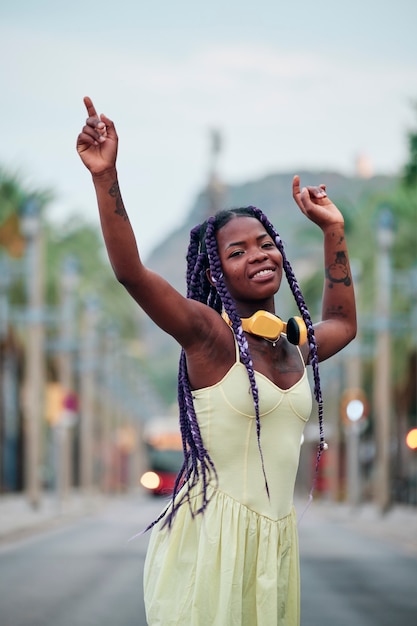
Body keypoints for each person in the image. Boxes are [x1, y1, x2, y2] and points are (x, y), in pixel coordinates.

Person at [76, 96, 357, 626]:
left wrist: (332, 231)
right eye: (237, 252)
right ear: (214, 275)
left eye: (265, 243)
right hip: (213, 541)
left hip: (275, 541)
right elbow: (132, 273)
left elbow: (343, 323)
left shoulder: (291, 343)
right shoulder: (210, 338)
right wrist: (105, 176)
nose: (258, 255)